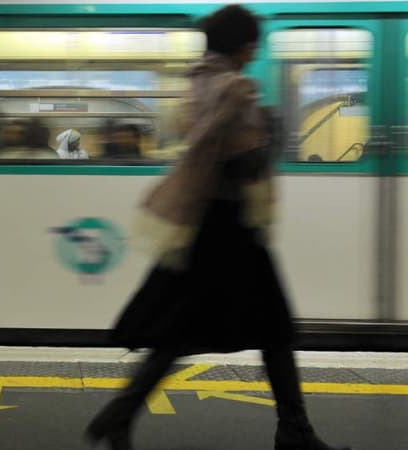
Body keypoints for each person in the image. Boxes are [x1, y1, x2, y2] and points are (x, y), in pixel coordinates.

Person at [85, 5, 350, 450]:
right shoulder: (235, 88)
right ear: (242, 46)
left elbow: (200, 142)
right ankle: (294, 432)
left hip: (205, 226)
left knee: (179, 332)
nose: (254, 52)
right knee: (274, 331)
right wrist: (268, 133)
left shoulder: (199, 82)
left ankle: (119, 415)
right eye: (252, 44)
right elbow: (239, 158)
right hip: (231, 229)